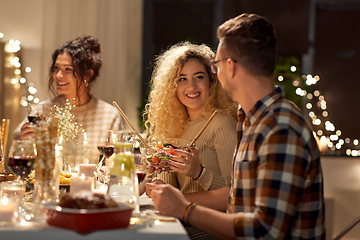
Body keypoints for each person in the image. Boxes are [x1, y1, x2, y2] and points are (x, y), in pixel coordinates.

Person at [146, 13, 326, 239]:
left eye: (215, 66)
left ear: (229, 67)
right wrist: (173, 199)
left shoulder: (280, 127)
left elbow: (264, 231)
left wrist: (185, 210)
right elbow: (234, 196)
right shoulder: (250, 120)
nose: (215, 73)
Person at [142, 42, 238, 195]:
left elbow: (237, 190)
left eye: (199, 77)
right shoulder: (174, 127)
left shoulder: (222, 123)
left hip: (207, 218)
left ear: (211, 81)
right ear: (172, 87)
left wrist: (199, 173)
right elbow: (172, 191)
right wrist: (157, 182)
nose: (191, 86)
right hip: (178, 217)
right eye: (182, 79)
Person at [13, 36, 123, 164]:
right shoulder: (43, 110)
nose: (58, 75)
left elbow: (117, 166)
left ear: (88, 75)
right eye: (56, 68)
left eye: (68, 69)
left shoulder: (109, 115)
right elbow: (17, 151)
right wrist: (24, 142)